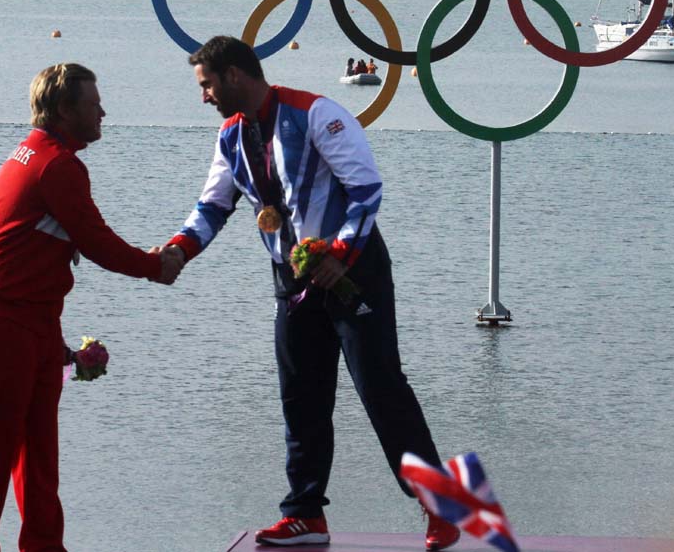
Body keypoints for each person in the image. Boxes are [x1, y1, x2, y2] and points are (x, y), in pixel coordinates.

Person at [159, 36, 460, 551]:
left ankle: (440, 508)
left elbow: (366, 191)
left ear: (234, 75)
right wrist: (176, 253)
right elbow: (212, 206)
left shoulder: (317, 113)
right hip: (292, 279)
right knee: (301, 395)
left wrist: (338, 254)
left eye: (207, 85)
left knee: (380, 386)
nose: (203, 96)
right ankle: (305, 513)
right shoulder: (230, 137)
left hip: (352, 271)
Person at [0, 63, 180, 552]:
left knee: (38, 451)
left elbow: (45, 248)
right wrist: (153, 266)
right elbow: (95, 241)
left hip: (28, 316)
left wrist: (51, 336)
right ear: (63, 110)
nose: (103, 112)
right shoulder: (57, 164)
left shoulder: (34, 152)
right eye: (93, 104)